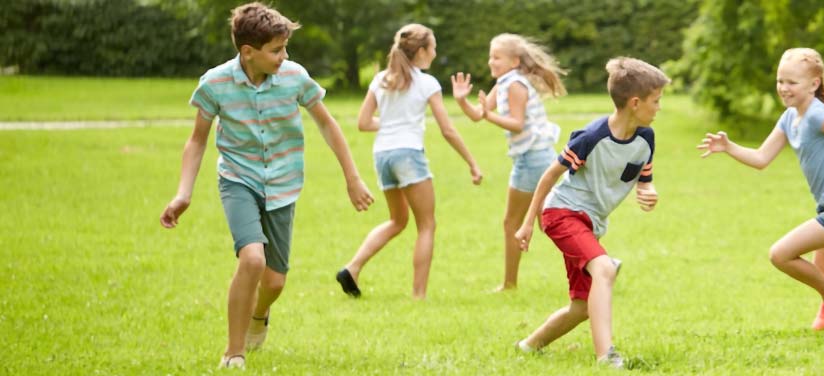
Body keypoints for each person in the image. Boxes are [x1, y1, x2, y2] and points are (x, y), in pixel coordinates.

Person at [158, 2, 374, 369]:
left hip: (284, 184)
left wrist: (352, 177)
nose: (284, 56)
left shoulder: (293, 77)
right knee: (253, 259)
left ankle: (260, 315)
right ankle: (234, 351)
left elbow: (326, 123)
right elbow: (197, 140)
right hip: (238, 180)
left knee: (274, 283)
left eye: (285, 48)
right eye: (276, 50)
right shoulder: (216, 83)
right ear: (248, 52)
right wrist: (183, 192)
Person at [696, 48, 824, 331]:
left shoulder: (818, 116)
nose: (784, 88)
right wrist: (728, 147)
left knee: (780, 255)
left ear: (814, 83)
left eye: (791, 82)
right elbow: (761, 159)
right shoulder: (789, 117)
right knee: (822, 276)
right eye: (780, 81)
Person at [513, 57, 668, 369]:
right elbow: (549, 177)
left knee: (582, 306)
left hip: (591, 223)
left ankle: (528, 346)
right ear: (635, 103)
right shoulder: (591, 137)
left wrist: (648, 192)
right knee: (605, 270)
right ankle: (606, 357)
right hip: (561, 213)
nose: (659, 108)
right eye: (656, 101)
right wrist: (528, 223)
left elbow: (643, 181)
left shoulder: (645, 138)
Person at [335, 24, 483, 300]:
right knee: (426, 225)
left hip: (383, 155)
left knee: (397, 220)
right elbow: (447, 129)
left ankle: (352, 268)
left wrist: (392, 123)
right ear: (423, 52)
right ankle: (419, 295)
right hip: (409, 154)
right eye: (433, 48)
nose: (435, 54)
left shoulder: (381, 79)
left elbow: (364, 123)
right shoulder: (426, 83)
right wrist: (472, 163)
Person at [450, 33, 566, 291]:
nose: (491, 61)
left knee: (514, 223)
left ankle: (510, 285)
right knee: (550, 222)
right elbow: (479, 115)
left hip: (532, 160)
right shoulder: (504, 82)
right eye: (490, 56)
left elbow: (517, 124)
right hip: (537, 157)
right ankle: (599, 264)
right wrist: (461, 100)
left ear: (514, 61)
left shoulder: (514, 85)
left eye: (497, 57)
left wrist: (490, 116)